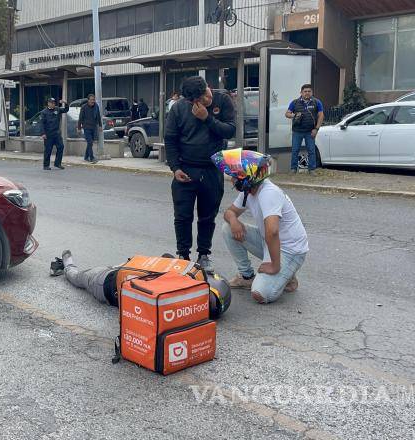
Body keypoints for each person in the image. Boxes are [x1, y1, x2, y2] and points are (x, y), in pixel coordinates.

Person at [214, 149, 309, 304]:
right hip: (271, 242)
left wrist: (275, 266)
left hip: (290, 250)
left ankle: (285, 274)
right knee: (228, 228)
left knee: (261, 293)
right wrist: (233, 221)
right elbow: (229, 212)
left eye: (234, 176)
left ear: (247, 177)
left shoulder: (268, 192)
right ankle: (247, 277)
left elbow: (272, 231)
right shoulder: (249, 190)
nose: (232, 179)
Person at [164, 75, 236, 271]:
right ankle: (183, 255)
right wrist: (175, 168)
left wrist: (207, 118)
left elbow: (230, 130)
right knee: (182, 216)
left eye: (204, 96)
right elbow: (170, 139)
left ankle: (204, 254)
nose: (203, 101)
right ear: (189, 100)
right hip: (185, 169)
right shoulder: (178, 108)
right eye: (196, 100)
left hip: (212, 169)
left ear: (208, 87)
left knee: (207, 216)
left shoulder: (222, 100)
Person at [50, 250, 231, 320]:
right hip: (125, 271)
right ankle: (67, 264)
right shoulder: (181, 303)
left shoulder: (182, 289)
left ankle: (67, 265)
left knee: (78, 277)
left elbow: (166, 258)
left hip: (105, 282)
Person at [285, 84, 324, 174]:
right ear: (301, 93)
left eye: (309, 91)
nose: (307, 93)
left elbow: (321, 115)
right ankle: (293, 169)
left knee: (311, 150)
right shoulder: (294, 102)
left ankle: (312, 169)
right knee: (295, 150)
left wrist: (316, 129)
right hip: (297, 131)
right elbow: (287, 114)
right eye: (305, 91)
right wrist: (293, 115)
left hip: (310, 131)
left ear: (312, 92)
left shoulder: (316, 102)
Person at [40, 97, 69, 170]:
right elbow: (42, 124)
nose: (53, 104)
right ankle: (46, 165)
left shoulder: (57, 109)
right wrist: (43, 133)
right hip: (48, 134)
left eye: (54, 103)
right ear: (48, 103)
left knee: (61, 147)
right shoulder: (44, 112)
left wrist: (65, 103)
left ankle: (57, 163)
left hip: (56, 133)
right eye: (51, 103)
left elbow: (66, 110)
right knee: (48, 150)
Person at [77, 94, 101, 163]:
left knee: (90, 143)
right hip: (86, 127)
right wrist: (79, 128)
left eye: (93, 100)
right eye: (91, 100)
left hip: (93, 127)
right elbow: (80, 118)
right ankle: (91, 158)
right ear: (88, 100)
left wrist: (100, 125)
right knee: (90, 142)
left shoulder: (96, 106)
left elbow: (98, 116)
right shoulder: (84, 107)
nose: (93, 101)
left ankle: (85, 157)